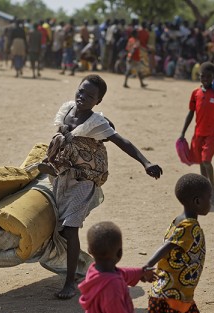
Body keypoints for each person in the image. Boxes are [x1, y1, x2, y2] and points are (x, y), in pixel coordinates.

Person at [38, 74, 162, 299]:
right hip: (63, 176)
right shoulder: (66, 110)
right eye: (81, 91)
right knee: (61, 229)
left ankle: (69, 285)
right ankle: (82, 267)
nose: (82, 97)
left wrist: (146, 162)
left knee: (71, 227)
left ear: (98, 101)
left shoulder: (97, 123)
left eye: (90, 95)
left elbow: (122, 141)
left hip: (85, 181)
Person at [144, 173, 212, 313]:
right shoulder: (189, 226)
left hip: (173, 292)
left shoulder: (178, 221)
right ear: (198, 201)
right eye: (209, 198)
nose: (211, 203)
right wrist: (148, 264)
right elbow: (169, 245)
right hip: (173, 296)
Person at [180, 62, 214, 203]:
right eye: (203, 76)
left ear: (213, 77)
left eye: (208, 76)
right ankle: (205, 189)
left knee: (206, 161)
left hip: (212, 133)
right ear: (199, 77)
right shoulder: (195, 93)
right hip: (198, 133)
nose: (205, 79)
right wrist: (183, 132)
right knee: (200, 162)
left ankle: (213, 187)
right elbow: (191, 113)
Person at [78, 221, 156, 313]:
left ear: (90, 250)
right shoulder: (113, 286)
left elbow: (121, 274)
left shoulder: (94, 271)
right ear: (120, 252)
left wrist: (140, 272)